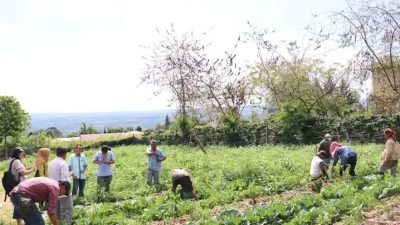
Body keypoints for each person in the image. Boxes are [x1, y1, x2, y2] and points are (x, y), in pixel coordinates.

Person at [7, 148, 35, 225]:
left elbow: (18, 171)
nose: (23, 154)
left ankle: (19, 223)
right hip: (20, 186)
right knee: (24, 204)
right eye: (22, 153)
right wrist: (31, 170)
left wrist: (27, 169)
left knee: (17, 205)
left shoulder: (10, 160)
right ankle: (27, 222)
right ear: (18, 154)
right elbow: (23, 173)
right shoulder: (17, 161)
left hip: (13, 185)